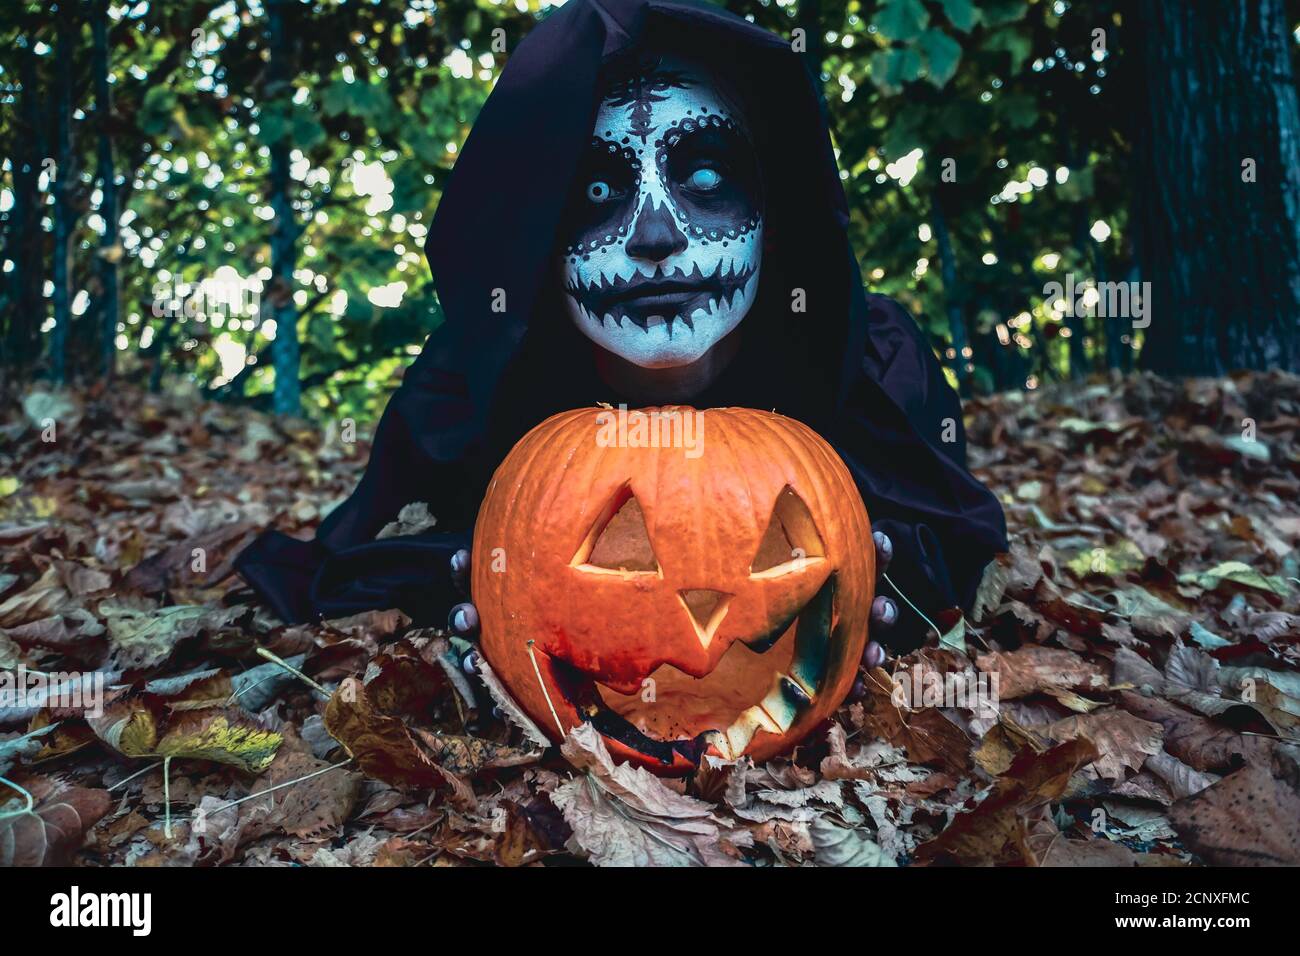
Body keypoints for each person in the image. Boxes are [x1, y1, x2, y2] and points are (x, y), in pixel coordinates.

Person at [235, 0, 1006, 676]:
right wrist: (481, 581)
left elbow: (950, 538)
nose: (656, 235)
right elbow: (368, 560)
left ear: (775, 214)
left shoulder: (874, 364)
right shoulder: (468, 390)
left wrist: (892, 586)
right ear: (538, 236)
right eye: (596, 192)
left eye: (706, 179)